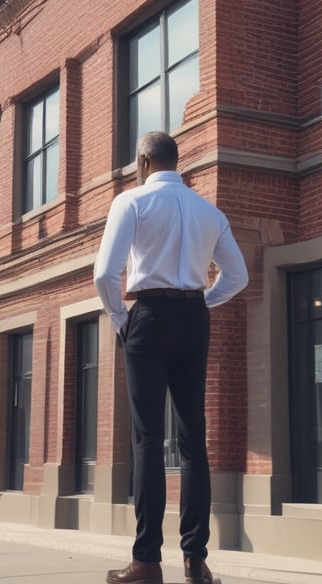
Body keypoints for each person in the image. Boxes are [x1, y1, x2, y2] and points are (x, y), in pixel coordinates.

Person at [94, 131, 248, 584]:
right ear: (176, 162)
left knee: (147, 438)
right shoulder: (209, 211)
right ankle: (196, 562)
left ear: (143, 161)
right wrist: (202, 303)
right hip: (193, 317)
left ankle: (146, 562)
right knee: (192, 438)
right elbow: (236, 275)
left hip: (149, 314)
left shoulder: (132, 202)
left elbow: (106, 272)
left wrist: (122, 318)